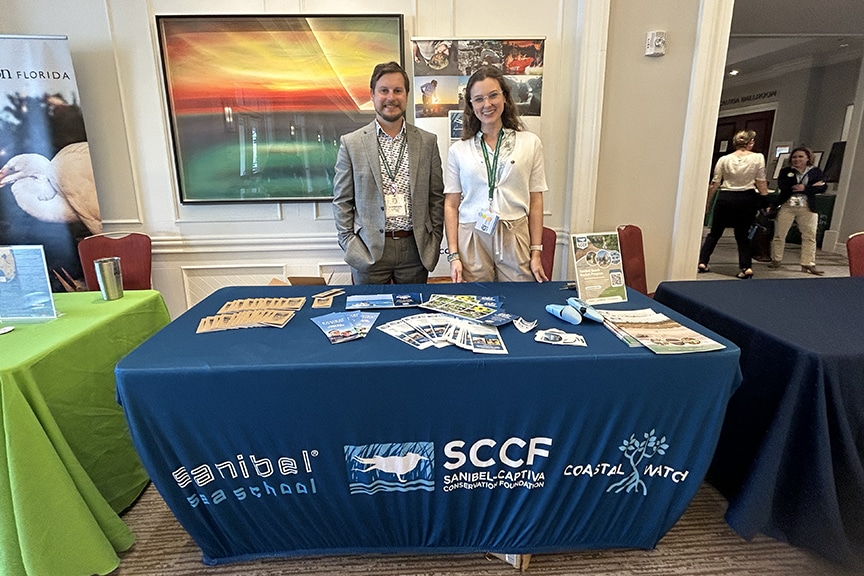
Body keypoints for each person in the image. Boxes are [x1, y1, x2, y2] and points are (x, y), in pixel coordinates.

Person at [333, 61, 444, 284]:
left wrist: (434, 238)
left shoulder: (427, 142)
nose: (391, 97)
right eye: (384, 90)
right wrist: (349, 242)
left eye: (397, 90)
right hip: (369, 251)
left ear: (407, 95)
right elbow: (342, 201)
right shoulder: (352, 143)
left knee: (413, 315)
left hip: (415, 251)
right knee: (369, 318)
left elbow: (437, 197)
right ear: (372, 94)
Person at [444, 66, 548, 283]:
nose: (487, 104)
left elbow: (536, 200)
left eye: (493, 95)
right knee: (477, 304)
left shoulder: (530, 143)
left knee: (519, 300)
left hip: (514, 233)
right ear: (471, 105)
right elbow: (451, 205)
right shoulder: (458, 150)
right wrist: (454, 256)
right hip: (472, 235)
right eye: (479, 99)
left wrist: (536, 252)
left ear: (505, 97)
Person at [698, 129, 768, 279]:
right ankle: (746, 267)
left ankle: (703, 262)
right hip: (746, 197)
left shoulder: (724, 159)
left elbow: (714, 183)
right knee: (742, 235)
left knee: (715, 233)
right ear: (750, 142)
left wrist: (707, 203)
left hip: (726, 197)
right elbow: (761, 181)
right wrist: (765, 200)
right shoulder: (758, 158)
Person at [769, 146, 828, 275]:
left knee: (809, 235)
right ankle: (776, 259)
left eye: (801, 156)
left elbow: (822, 187)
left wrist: (805, 188)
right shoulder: (786, 171)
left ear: (808, 158)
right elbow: (784, 186)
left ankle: (808, 263)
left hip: (807, 206)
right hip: (788, 205)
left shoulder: (815, 172)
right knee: (779, 234)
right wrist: (811, 186)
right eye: (794, 157)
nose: (797, 159)